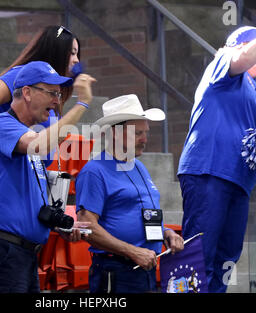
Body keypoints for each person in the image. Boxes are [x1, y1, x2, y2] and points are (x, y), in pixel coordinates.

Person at [177, 2, 256, 293]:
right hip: (208, 171)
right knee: (198, 258)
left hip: (239, 181)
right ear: (243, 45)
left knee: (226, 261)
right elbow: (243, 58)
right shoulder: (221, 64)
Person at [0, 61, 96, 293]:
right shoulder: (0, 123)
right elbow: (39, 145)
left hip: (20, 254)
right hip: (2, 251)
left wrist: (58, 226)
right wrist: (82, 104)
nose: (56, 101)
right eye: (51, 93)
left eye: (58, 94)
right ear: (26, 92)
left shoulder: (26, 139)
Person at [0, 25, 81, 229]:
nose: (77, 60)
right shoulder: (25, 74)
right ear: (56, 52)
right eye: (72, 53)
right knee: (0, 239)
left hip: (20, 175)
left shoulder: (50, 91)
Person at [75, 94, 184, 293]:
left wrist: (165, 232)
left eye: (146, 132)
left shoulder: (139, 167)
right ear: (115, 133)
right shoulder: (95, 171)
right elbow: (86, 227)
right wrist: (132, 251)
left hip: (143, 268)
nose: (145, 139)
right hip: (116, 270)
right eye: (138, 133)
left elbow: (142, 214)